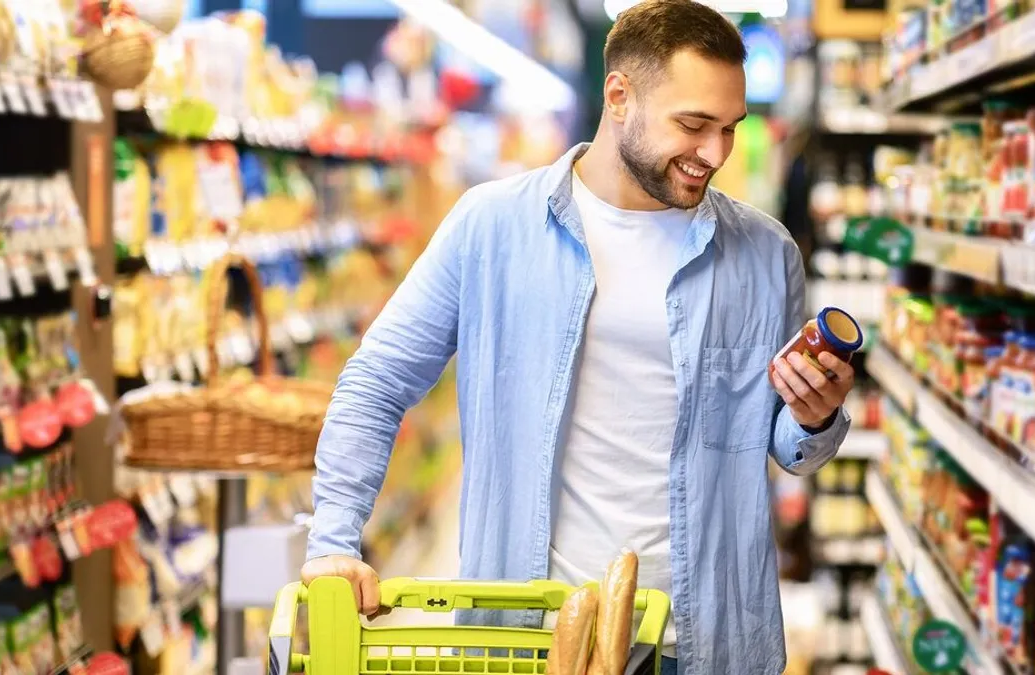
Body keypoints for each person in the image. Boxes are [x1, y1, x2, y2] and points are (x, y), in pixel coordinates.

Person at [301, 1, 855, 673]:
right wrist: (333, 539)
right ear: (618, 96)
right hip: (528, 638)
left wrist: (814, 416)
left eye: (730, 129)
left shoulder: (765, 253)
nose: (715, 153)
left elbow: (788, 449)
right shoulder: (493, 227)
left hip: (706, 642)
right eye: (692, 124)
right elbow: (377, 380)